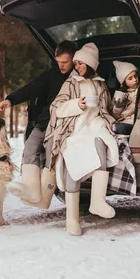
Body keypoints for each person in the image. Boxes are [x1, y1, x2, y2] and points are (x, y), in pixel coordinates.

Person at [44, 42, 119, 236]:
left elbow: (108, 110)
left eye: (80, 63)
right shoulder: (71, 83)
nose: (77, 67)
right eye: (75, 63)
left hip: (95, 126)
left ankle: (97, 201)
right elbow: (56, 108)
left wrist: (113, 120)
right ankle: (72, 218)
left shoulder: (100, 84)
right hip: (74, 128)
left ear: (90, 64)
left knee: (101, 141)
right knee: (73, 161)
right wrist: (77, 104)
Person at [0, 40, 77, 206]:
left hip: (64, 126)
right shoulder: (52, 74)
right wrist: (11, 99)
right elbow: (31, 87)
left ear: (74, 59)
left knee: (50, 158)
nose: (61, 66)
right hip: (45, 122)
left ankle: (44, 199)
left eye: (65, 62)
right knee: (30, 148)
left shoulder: (79, 77)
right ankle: (31, 192)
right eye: (58, 62)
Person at [112, 61, 139, 126]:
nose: (135, 80)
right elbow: (114, 116)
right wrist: (118, 107)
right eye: (130, 78)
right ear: (124, 82)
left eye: (135, 76)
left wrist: (124, 114)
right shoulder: (120, 94)